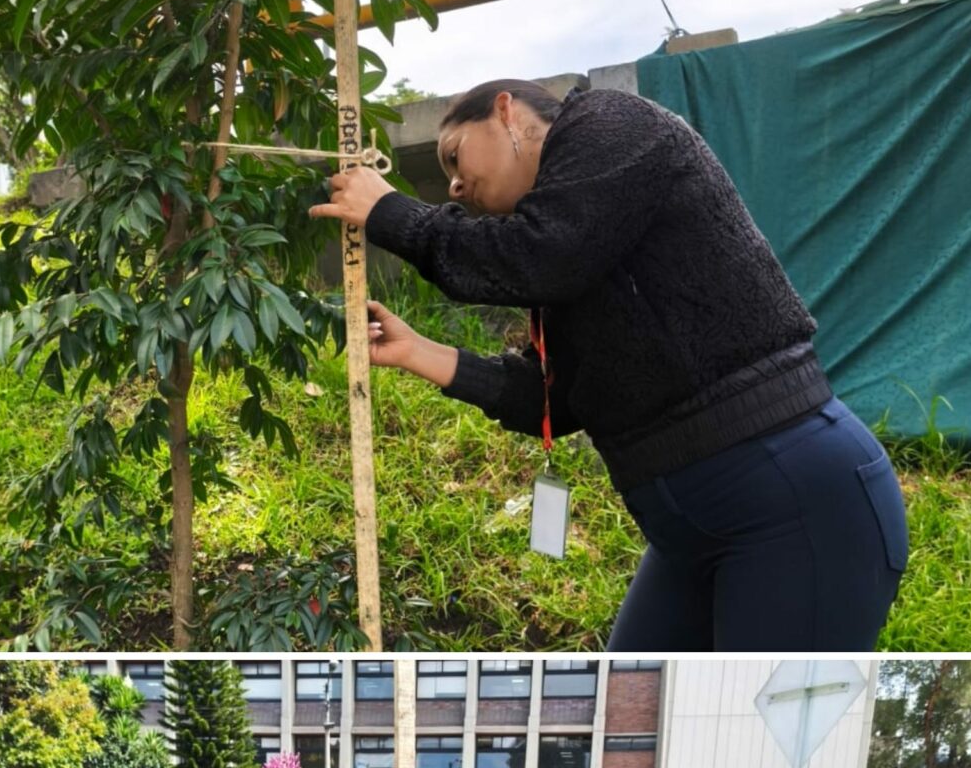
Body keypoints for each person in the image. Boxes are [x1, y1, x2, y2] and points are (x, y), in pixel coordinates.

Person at [311, 80, 905, 653]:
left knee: (758, 743)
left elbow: (540, 259)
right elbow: (555, 399)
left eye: (454, 157)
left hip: (791, 506)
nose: (457, 186)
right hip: (687, 535)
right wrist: (419, 352)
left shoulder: (612, 122)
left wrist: (391, 212)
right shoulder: (577, 241)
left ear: (507, 112)